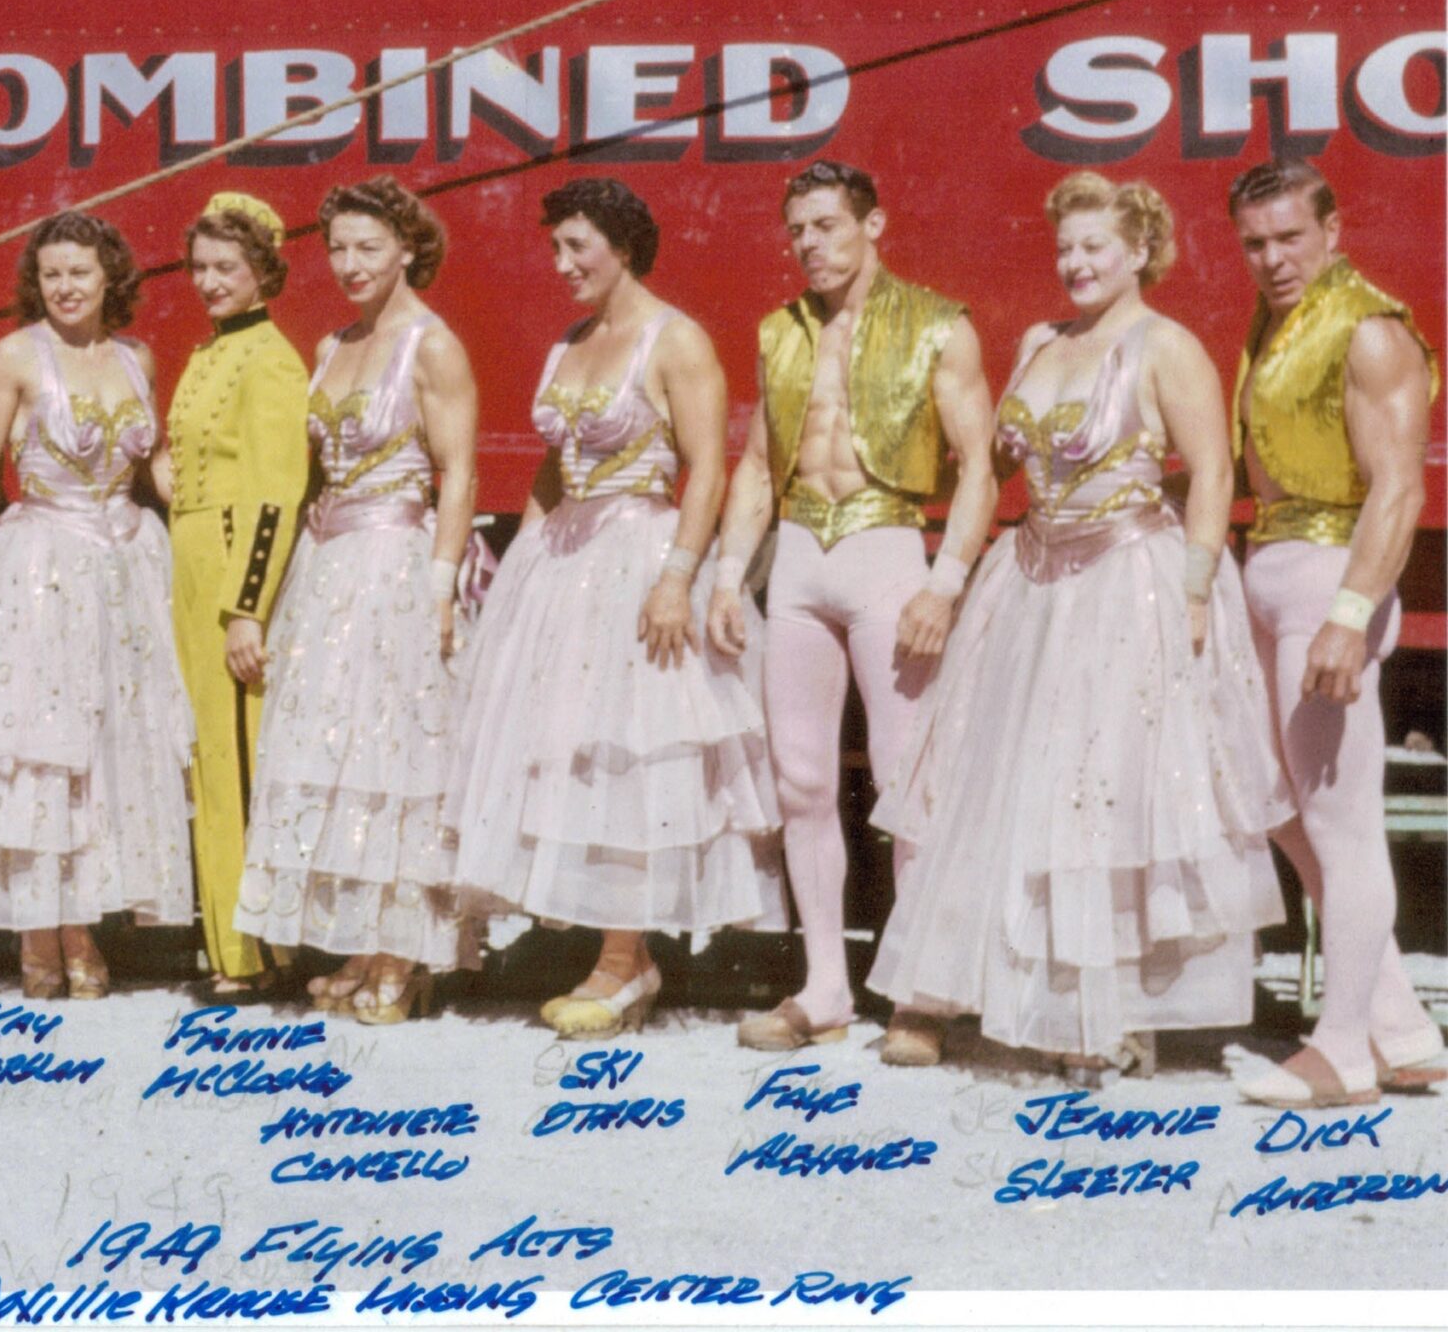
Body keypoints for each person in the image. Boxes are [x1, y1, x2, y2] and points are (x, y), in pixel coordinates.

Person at [869, 174, 1287, 1080]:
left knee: (1103, 793)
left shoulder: (1165, 346)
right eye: (1066, 248)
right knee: (1006, 784)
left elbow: (1213, 472)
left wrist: (1191, 589)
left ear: (1140, 252)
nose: (1077, 263)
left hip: (1127, 579)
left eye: (1096, 247)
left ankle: (1103, 1010)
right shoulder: (1036, 340)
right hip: (1029, 582)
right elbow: (999, 466)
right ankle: (968, 992)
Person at [450, 180, 783, 1035]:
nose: (562, 266)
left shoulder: (676, 340)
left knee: (630, 758)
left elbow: (707, 466)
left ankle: (622, 964)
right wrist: (520, 561)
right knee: (567, 755)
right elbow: (553, 468)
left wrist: (677, 576)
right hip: (561, 563)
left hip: (638, 556)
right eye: (554, 249)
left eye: (577, 247)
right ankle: (618, 957)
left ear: (623, 246)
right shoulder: (567, 344)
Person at [704, 161, 997, 1058]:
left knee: (908, 782)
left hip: (887, 551)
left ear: (875, 225)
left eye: (828, 225)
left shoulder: (938, 325)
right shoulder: (780, 331)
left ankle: (918, 991)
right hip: (798, 554)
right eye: (798, 229)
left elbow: (979, 465)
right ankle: (825, 986)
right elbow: (757, 463)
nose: (810, 245)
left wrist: (944, 585)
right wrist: (726, 576)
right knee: (800, 781)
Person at [0, 212, 193, 996]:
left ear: (111, 279)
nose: (66, 288)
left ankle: (85, 925)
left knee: (106, 754)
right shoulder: (12, 357)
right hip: (39, 565)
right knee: (39, 754)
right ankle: (40, 934)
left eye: (81, 273)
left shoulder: (138, 357)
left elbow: (156, 463)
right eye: (52, 274)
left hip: (124, 569)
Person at [1224, 160, 1442, 1106]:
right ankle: (1400, 1023)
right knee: (1277, 804)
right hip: (1271, 568)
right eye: (1255, 243)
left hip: (1328, 575)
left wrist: (1349, 618)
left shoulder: (1369, 330)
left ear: (1333, 229)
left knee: (1340, 825)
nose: (1273, 259)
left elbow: (1400, 489)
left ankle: (1345, 1047)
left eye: (1289, 238)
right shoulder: (1278, 321)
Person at [235, 177, 478, 1025]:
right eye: (337, 248)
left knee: (396, 756)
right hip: (326, 565)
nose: (350, 264)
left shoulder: (432, 344)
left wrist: (441, 588)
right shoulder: (332, 345)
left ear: (407, 247)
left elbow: (459, 476)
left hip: (397, 562)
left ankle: (402, 953)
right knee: (335, 751)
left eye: (369, 247)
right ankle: (363, 941)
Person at [163, 193, 311, 1002]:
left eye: (228, 268)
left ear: (263, 273)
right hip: (191, 559)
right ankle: (231, 943)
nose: (210, 282)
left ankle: (251, 953)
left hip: (229, 567)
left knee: (237, 760)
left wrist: (246, 606)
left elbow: (274, 495)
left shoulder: (273, 360)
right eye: (200, 267)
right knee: (207, 761)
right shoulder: (210, 352)